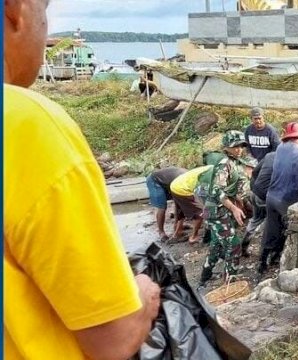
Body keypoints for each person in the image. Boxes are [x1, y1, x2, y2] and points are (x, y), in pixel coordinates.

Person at [4, 0, 160, 358]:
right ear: (15, 11)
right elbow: (114, 339)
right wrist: (143, 295)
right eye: (45, 11)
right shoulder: (25, 124)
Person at [259, 122, 298, 274]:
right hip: (287, 199)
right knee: (291, 230)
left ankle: (262, 263)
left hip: (271, 196)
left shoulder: (280, 148)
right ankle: (285, 264)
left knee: (271, 229)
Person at [199, 131, 256, 286]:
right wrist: (234, 208)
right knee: (234, 245)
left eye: (241, 146)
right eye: (235, 146)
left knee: (216, 245)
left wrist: (243, 205)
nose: (238, 149)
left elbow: (239, 192)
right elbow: (217, 190)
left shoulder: (237, 163)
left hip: (224, 210)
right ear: (227, 147)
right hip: (217, 210)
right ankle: (229, 283)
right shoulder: (224, 164)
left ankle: (204, 278)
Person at [242, 151, 276, 257]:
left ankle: (244, 245)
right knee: (272, 223)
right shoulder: (289, 160)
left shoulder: (270, 155)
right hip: (267, 196)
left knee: (255, 220)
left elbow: (255, 172)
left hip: (255, 192)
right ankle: (266, 254)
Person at [170, 165, 214, 243]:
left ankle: (177, 233)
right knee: (201, 212)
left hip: (175, 185)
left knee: (182, 212)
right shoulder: (216, 173)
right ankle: (193, 237)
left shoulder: (213, 167)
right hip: (183, 189)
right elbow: (204, 194)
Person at [146, 166, 187, 241]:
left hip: (169, 182)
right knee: (162, 207)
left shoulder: (189, 179)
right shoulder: (185, 181)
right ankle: (161, 232)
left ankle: (176, 226)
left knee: (179, 203)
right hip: (154, 180)